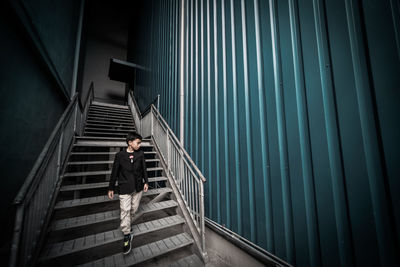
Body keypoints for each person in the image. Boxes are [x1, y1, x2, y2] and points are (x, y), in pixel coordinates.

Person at [108, 132, 149, 255]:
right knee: (125, 210)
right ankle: (127, 235)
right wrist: (111, 188)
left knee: (134, 209)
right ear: (130, 142)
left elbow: (144, 169)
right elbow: (114, 171)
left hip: (138, 187)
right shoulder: (120, 155)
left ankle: (128, 224)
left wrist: (146, 181)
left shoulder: (140, 154)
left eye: (140, 143)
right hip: (124, 187)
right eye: (138, 143)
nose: (139, 145)